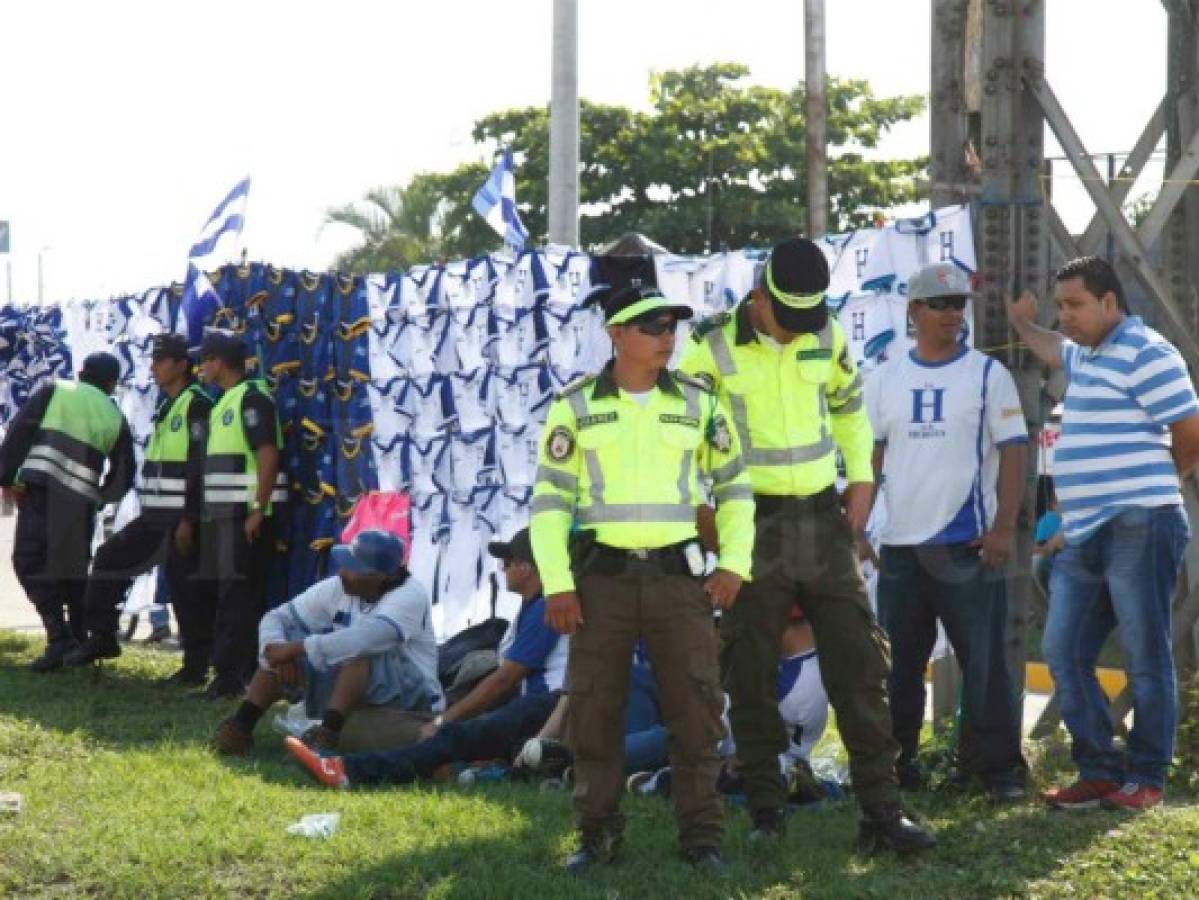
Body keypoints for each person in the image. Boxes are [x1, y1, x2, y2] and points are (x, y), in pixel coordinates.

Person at [679, 236, 935, 853]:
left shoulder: (826, 330)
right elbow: (683, 438)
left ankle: (882, 813)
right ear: (759, 298)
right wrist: (702, 511)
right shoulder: (709, 343)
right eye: (786, 321)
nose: (797, 333)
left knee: (859, 663)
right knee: (749, 667)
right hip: (750, 521)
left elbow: (849, 411)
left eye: (806, 322)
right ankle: (766, 810)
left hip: (824, 520)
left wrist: (863, 482)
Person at [531, 284, 756, 875]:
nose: (666, 337)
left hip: (678, 582)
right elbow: (550, 504)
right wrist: (557, 582)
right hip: (599, 583)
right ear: (616, 335)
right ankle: (597, 836)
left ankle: (703, 838)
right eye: (652, 326)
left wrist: (735, 563)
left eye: (671, 326)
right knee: (595, 710)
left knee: (697, 709)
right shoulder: (574, 406)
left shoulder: (699, 403)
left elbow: (733, 489)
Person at [1006, 256, 1199, 810]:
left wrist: (1164, 482)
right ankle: (1099, 769)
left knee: (1145, 654)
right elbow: (1051, 347)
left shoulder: (1149, 352)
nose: (1064, 315)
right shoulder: (1087, 353)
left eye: (1075, 305)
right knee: (1062, 649)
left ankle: (1147, 778)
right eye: (1060, 305)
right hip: (1085, 533)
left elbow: (1190, 430)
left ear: (1110, 302)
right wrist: (1021, 325)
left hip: (1141, 524)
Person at [865, 262, 1030, 802]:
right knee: (900, 667)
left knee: (982, 663)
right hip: (901, 550)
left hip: (966, 545)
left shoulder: (986, 374)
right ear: (913, 311)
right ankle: (899, 764)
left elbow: (1013, 450)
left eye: (959, 304)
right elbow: (870, 456)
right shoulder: (885, 378)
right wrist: (859, 525)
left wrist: (1004, 526)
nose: (952, 314)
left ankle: (996, 770)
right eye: (940, 304)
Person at [287, 527, 567, 784]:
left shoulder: (544, 608)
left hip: (545, 705)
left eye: (506, 563)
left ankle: (349, 771)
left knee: (453, 735)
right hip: (541, 705)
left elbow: (505, 680)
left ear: (527, 568)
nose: (502, 570)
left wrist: (445, 720)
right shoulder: (538, 606)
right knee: (470, 736)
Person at [212, 529, 441, 755]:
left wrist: (295, 649)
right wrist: (274, 648)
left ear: (380, 577)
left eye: (353, 568)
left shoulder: (410, 594)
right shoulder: (339, 587)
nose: (341, 572)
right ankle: (241, 727)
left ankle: (327, 735)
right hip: (360, 684)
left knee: (355, 653)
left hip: (413, 694)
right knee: (288, 642)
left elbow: (366, 638)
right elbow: (278, 617)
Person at [64, 333, 213, 680]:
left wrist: (189, 520)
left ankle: (195, 666)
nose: (153, 366)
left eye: (161, 360)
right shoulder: (167, 404)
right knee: (109, 558)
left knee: (185, 591)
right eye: (153, 359)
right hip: (156, 515)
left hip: (180, 516)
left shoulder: (197, 404)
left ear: (181, 364)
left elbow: (200, 467)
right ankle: (102, 636)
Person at [0, 352, 135, 672]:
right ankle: (78, 638)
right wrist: (100, 498)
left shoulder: (56, 390)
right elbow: (125, 472)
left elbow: (20, 430)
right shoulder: (115, 414)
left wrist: (6, 478)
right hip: (80, 502)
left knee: (30, 561)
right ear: (111, 384)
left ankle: (59, 637)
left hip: (42, 491)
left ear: (80, 373)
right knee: (72, 572)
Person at [194, 328, 288, 699]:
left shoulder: (252, 398)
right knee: (228, 594)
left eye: (204, 360)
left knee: (238, 597)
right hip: (225, 516)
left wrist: (257, 511)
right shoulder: (226, 400)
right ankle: (231, 672)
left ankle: (232, 676)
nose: (200, 368)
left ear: (218, 362)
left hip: (244, 517)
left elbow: (268, 456)